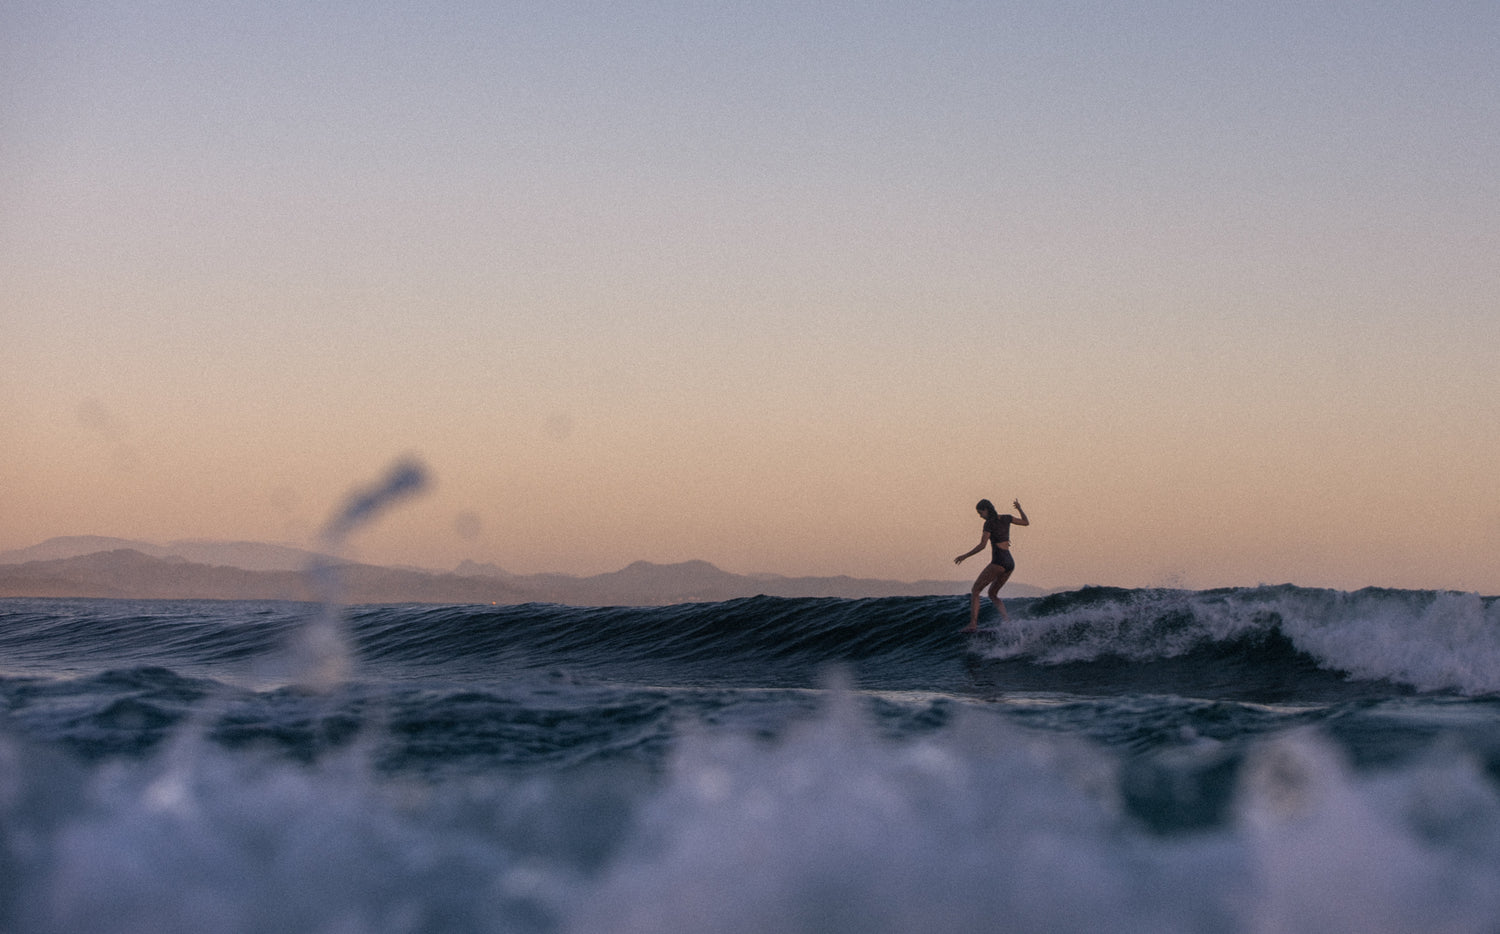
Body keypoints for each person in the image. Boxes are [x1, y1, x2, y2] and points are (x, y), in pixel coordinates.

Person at [954, 498, 1029, 632]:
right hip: (1010, 562)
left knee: (976, 590)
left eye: (980, 513)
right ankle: (1007, 622)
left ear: (986, 510)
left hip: (999, 561)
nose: (980, 516)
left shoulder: (989, 523)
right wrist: (1019, 508)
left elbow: (982, 545)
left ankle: (973, 624)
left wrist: (964, 556)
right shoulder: (1006, 518)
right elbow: (1026, 522)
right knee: (992, 594)